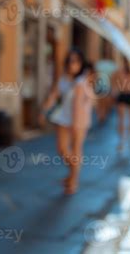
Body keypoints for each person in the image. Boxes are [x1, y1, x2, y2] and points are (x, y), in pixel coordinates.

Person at [40, 48, 93, 195]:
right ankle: (73, 172)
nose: (72, 64)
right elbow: (53, 95)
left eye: (75, 61)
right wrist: (44, 111)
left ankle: (73, 180)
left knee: (76, 150)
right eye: (70, 60)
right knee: (62, 149)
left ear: (81, 63)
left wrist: (76, 124)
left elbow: (79, 104)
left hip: (79, 119)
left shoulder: (82, 81)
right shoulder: (63, 78)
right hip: (63, 117)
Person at [111, 57, 130, 154]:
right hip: (123, 95)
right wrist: (114, 90)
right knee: (122, 119)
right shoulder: (119, 72)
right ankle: (122, 140)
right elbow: (113, 80)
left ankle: (129, 138)